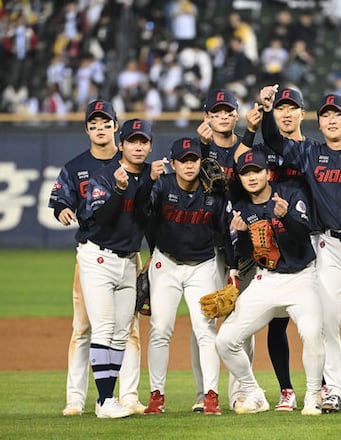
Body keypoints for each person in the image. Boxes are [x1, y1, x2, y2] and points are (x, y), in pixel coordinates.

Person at [238, 88, 341, 413]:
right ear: (318, 123)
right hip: (328, 245)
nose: (332, 120)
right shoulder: (310, 153)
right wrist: (267, 111)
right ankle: (335, 392)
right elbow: (274, 141)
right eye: (326, 116)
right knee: (327, 323)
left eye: (337, 115)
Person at [48, 100, 145, 417]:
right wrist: (62, 208)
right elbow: (60, 198)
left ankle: (127, 396)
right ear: (86, 129)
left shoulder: (133, 160)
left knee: (128, 329)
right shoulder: (76, 167)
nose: (100, 128)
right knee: (83, 328)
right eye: (94, 124)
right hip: (94, 253)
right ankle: (76, 398)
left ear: (116, 126)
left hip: (129, 254)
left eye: (105, 123)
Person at [215, 150, 325, 416]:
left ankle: (313, 395)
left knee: (311, 333)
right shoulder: (241, 209)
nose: (251, 177)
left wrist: (286, 216)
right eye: (246, 173)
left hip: (301, 279)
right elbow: (245, 252)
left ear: (268, 173)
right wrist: (242, 235)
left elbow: (303, 235)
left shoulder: (290, 194)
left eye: (256, 171)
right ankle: (253, 393)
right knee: (225, 340)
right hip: (266, 280)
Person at [134, 137, 232, 416]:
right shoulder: (162, 185)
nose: (189, 165)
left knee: (205, 330)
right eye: (183, 160)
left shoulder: (213, 191)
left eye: (194, 160)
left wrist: (233, 268)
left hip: (203, 266)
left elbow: (224, 232)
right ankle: (156, 396)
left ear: (200, 162)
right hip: (166, 263)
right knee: (160, 329)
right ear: (173, 163)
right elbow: (141, 212)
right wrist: (149, 182)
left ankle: (211, 396)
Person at [77, 116, 154, 418]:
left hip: (128, 260)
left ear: (150, 146)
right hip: (98, 257)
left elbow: (149, 217)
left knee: (122, 332)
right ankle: (106, 399)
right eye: (132, 141)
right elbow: (103, 219)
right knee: (104, 327)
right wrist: (120, 190)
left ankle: (106, 400)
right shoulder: (105, 176)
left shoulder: (149, 175)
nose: (138, 147)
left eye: (143, 141)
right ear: (121, 145)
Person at [193, 88, 252, 411]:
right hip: (207, 245)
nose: (223, 117)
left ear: (236, 115)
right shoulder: (195, 151)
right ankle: (204, 392)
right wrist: (202, 149)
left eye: (228, 111)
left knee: (243, 320)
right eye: (216, 112)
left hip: (243, 244)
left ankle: (241, 392)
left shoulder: (248, 147)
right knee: (204, 319)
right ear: (207, 117)